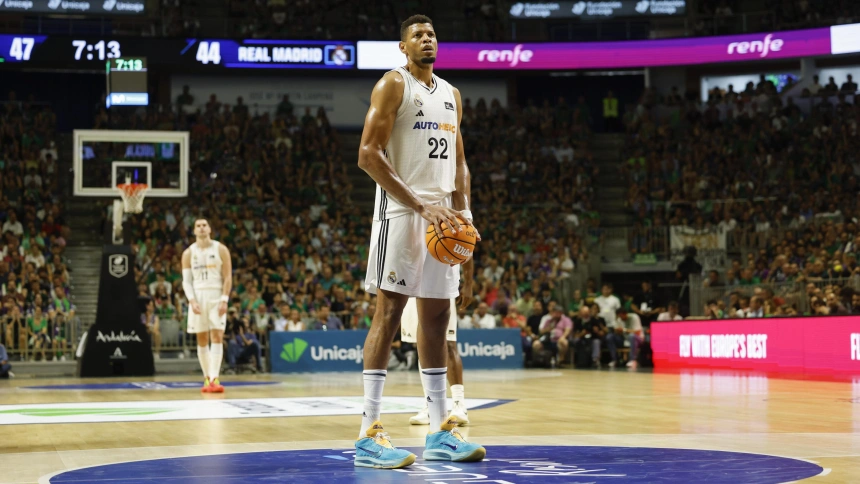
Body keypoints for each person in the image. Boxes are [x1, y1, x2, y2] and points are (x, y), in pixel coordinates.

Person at [354, 14, 485, 469]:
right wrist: (420, 204)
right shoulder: (393, 85)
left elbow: (460, 163)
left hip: (443, 219)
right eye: (418, 36)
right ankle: (368, 434)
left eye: (432, 34)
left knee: (437, 318)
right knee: (389, 312)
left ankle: (438, 431)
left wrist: (463, 214)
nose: (427, 40)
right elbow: (368, 155)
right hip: (401, 212)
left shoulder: (452, 95)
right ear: (402, 46)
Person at [182, 218, 233, 394]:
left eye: (204, 225)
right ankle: (206, 378)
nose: (202, 228)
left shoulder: (221, 249)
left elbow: (227, 277)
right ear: (194, 230)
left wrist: (224, 299)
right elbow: (186, 281)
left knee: (217, 335)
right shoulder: (188, 253)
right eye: (198, 226)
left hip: (216, 295)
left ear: (210, 228)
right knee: (202, 338)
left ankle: (214, 377)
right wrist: (192, 300)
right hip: (198, 295)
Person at [402, 296, 470, 426]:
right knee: (422, 347)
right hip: (412, 292)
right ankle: (430, 405)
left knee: (449, 343)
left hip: (440, 289)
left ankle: (459, 404)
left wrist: (468, 284)